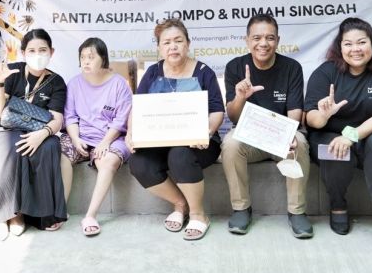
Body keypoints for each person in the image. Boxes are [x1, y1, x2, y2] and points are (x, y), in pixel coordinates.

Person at [304, 17, 372, 257]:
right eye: (348, 44)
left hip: (366, 135)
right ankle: (337, 205)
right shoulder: (326, 72)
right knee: (334, 147)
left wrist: (352, 135)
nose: (355, 49)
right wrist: (324, 116)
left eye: (361, 42)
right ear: (340, 47)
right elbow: (310, 118)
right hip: (329, 134)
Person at [127, 19, 224, 241]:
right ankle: (179, 204)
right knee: (139, 162)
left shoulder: (203, 71)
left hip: (200, 143)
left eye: (178, 41)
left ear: (188, 44)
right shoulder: (152, 72)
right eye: (167, 42)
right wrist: (131, 133)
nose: (173, 46)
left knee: (179, 154)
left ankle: (199, 214)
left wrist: (206, 132)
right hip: (159, 141)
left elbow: (218, 110)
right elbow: (138, 107)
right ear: (159, 48)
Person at [221, 14, 312, 238]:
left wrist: (290, 134)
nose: (263, 43)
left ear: (278, 40)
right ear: (247, 40)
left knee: (299, 142)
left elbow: (295, 112)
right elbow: (233, 117)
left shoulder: (292, 67)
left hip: (281, 137)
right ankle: (241, 208)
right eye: (257, 38)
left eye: (270, 38)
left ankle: (297, 211)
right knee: (230, 143)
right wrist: (241, 96)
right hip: (250, 139)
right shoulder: (235, 67)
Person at [0, 29, 67, 238]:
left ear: (51, 52)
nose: (38, 54)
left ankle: (31, 213)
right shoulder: (12, 71)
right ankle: (1, 215)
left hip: (37, 132)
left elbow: (57, 119)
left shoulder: (56, 82)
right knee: (12, 145)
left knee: (51, 145)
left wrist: (41, 135)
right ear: (23, 53)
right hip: (0, 130)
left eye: (43, 50)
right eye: (32, 50)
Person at [58, 38, 132, 237]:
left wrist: (105, 142)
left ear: (104, 59)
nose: (86, 62)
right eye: (82, 57)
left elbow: (121, 120)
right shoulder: (74, 84)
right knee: (61, 155)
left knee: (107, 162)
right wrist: (74, 139)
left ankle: (90, 216)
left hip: (111, 137)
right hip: (80, 136)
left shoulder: (118, 84)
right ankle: (60, 209)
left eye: (91, 57)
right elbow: (70, 116)